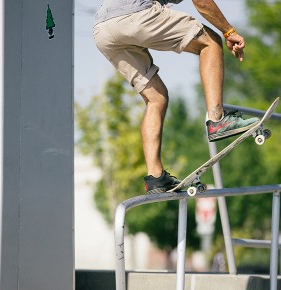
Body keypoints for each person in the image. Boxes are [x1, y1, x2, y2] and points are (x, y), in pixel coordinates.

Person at [93, 0, 259, 194]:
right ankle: (217, 120)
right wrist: (229, 31)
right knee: (210, 42)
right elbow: (201, 2)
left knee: (156, 98)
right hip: (134, 15)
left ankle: (155, 177)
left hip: (103, 30)